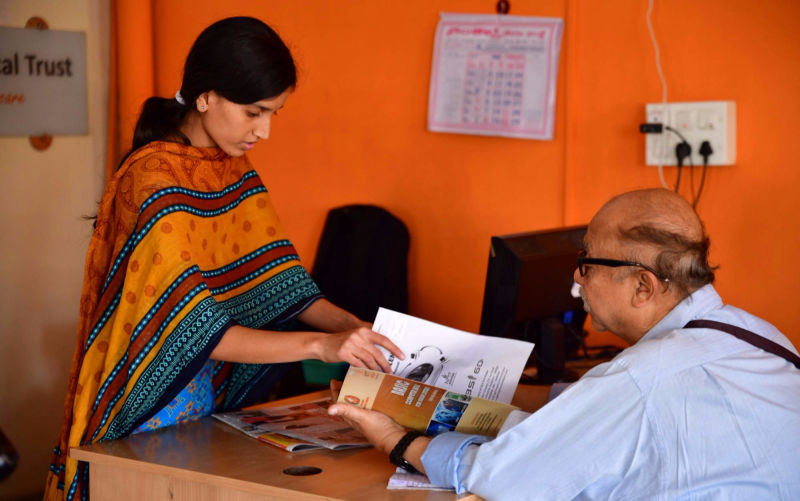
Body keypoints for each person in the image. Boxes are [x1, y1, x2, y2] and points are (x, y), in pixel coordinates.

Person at [45, 16, 403, 501]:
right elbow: (190, 329)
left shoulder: (229, 166)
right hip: (146, 401)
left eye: (274, 113)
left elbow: (279, 284)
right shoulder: (152, 177)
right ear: (206, 96)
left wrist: (357, 332)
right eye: (255, 112)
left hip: (199, 398)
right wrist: (322, 346)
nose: (265, 131)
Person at [330, 188, 800, 500]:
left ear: (643, 286)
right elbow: (590, 404)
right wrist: (450, 396)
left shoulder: (644, 377)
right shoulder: (756, 334)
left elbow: (500, 477)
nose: (576, 278)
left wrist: (392, 437)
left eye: (588, 262)